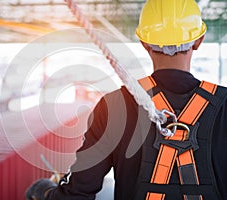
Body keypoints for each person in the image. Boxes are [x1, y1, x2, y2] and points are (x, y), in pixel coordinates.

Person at [26, 0, 227, 199]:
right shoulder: (224, 105)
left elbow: (77, 193)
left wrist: (44, 192)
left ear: (144, 43)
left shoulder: (113, 106)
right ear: (199, 40)